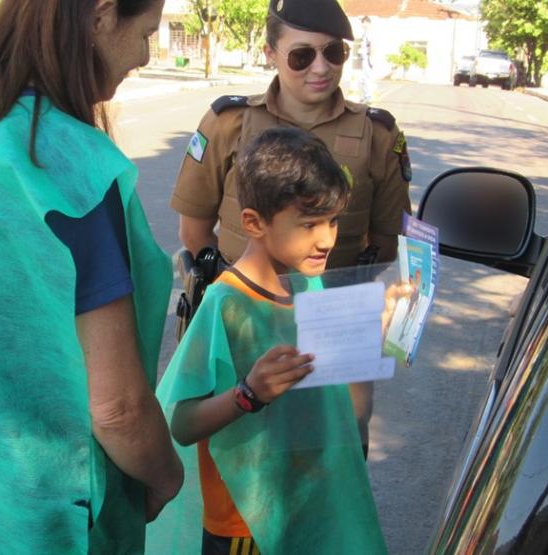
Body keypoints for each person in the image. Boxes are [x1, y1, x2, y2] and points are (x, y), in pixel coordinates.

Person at [0, 1, 183, 552]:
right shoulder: (62, 166)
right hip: (50, 519)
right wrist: (166, 477)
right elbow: (117, 408)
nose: (144, 54)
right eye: (146, 33)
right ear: (101, 16)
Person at [170, 0, 413, 453]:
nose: (320, 67)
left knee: (339, 451)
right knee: (239, 453)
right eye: (302, 55)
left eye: (333, 53)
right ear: (271, 54)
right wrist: (248, 303)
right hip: (245, 322)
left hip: (336, 326)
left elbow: (383, 244)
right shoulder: (228, 123)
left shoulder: (377, 134)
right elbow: (196, 235)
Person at [156, 127, 387, 554]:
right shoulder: (227, 304)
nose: (327, 239)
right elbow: (182, 423)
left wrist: (370, 340)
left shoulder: (308, 289)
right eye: (310, 224)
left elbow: (348, 412)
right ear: (253, 223)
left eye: (333, 221)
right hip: (245, 524)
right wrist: (248, 394)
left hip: (307, 506)